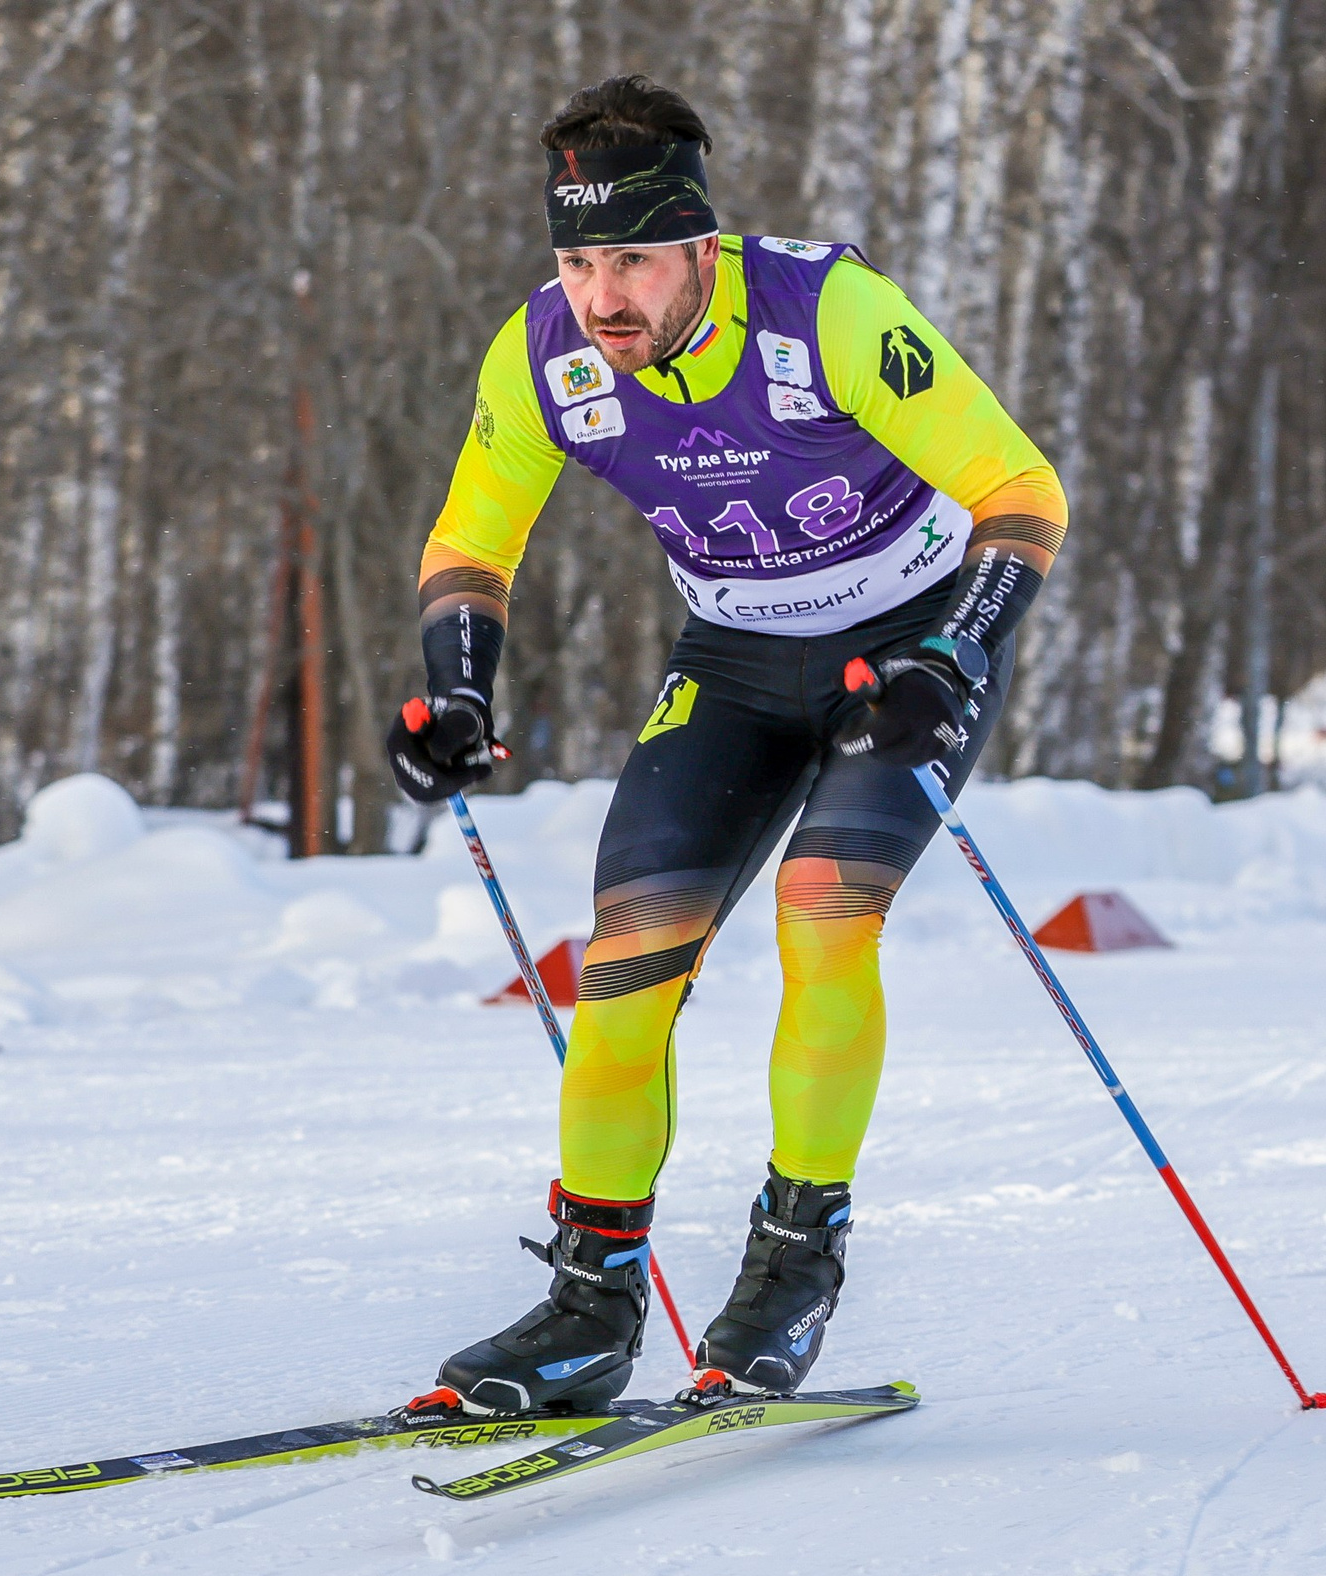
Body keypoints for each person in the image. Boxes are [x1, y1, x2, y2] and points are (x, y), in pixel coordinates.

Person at [386, 76, 1068, 1409]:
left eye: (631, 257)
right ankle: (589, 1306)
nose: (601, 295)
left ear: (704, 241)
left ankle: (796, 1256)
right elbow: (472, 537)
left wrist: (955, 650)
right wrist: (457, 688)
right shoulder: (546, 357)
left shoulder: (829, 315)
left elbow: (1022, 491)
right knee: (625, 967)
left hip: (907, 643)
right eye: (576, 259)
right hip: (739, 659)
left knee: (824, 911)